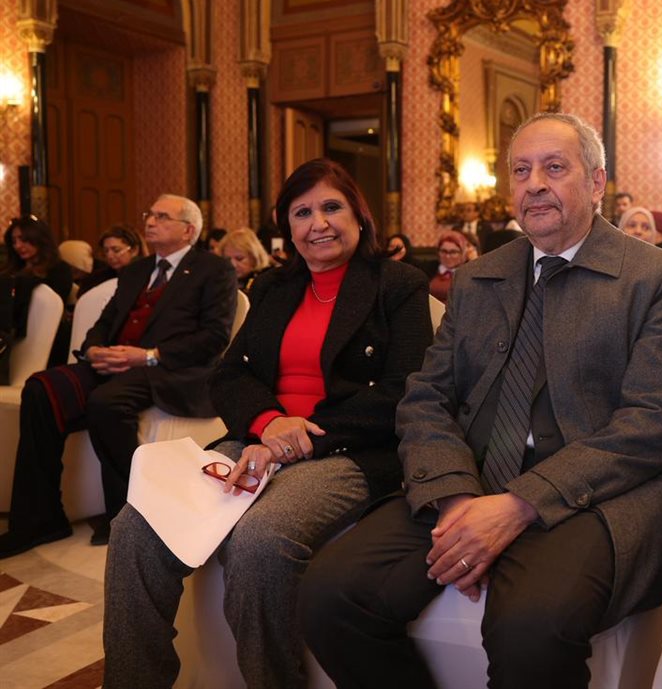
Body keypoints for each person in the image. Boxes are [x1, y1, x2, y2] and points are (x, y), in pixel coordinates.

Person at [299, 112, 662, 689]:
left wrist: (520, 504)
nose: (535, 184)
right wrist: (456, 495)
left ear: (596, 182)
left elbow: (652, 421)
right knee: (329, 595)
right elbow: (426, 397)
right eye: (521, 171)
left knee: (530, 628)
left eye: (554, 168)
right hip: (471, 475)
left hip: (592, 493)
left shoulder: (652, 276)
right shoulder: (480, 277)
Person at [102, 160, 433, 689]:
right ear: (287, 226)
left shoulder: (397, 284)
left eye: (331, 207)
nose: (318, 223)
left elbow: (404, 391)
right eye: (302, 212)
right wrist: (270, 422)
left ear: (359, 215)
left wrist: (294, 438)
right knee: (135, 526)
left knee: (260, 539)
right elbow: (230, 374)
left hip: (347, 449)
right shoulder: (276, 286)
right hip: (257, 438)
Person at [0, 195, 238, 556]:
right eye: (150, 215)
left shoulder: (214, 269)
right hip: (114, 364)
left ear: (189, 230)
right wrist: (93, 350)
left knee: (106, 402)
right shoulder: (137, 270)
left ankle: (129, 513)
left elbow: (214, 337)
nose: (150, 221)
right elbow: (106, 322)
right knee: (40, 388)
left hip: (169, 370)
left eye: (162, 216)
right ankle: (40, 519)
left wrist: (148, 356)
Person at [2, 215, 74, 305]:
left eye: (23, 240)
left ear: (39, 239)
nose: (17, 246)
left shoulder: (59, 270)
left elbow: (53, 304)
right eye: (14, 241)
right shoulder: (13, 268)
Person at [79, 224, 149, 297]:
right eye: (106, 251)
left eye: (116, 250)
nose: (109, 256)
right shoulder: (95, 279)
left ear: (134, 250)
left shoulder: (146, 275)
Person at [219, 227, 274, 292]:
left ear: (254, 258)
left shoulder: (268, 282)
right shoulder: (220, 281)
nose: (233, 264)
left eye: (239, 259)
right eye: (227, 259)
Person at [428, 230, 468, 303]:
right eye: (443, 251)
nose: (447, 256)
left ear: (462, 253)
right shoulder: (428, 269)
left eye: (453, 252)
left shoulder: (468, 273)